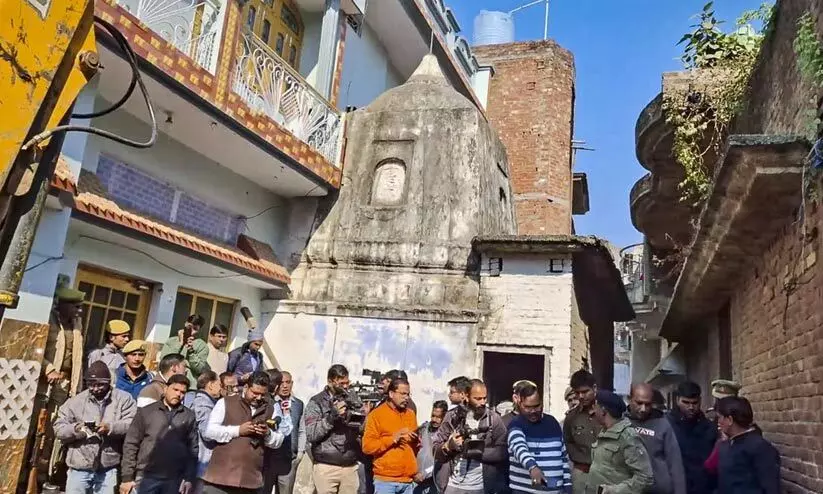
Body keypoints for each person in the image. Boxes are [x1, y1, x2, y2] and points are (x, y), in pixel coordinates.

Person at [201, 371, 292, 494]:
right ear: (246, 387)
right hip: (220, 478)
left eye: (262, 394)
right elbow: (210, 432)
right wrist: (238, 430)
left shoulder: (271, 408)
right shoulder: (226, 403)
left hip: (250, 481)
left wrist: (267, 434)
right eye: (255, 393)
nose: (258, 397)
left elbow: (279, 440)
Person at [53, 361, 137, 494]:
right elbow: (59, 428)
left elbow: (133, 424)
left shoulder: (123, 399)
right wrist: (77, 430)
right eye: (92, 385)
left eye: (101, 385)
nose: (96, 388)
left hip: (108, 466)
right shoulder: (75, 402)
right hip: (79, 466)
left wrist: (110, 428)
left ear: (109, 382)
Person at [121, 373, 199, 494]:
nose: (178, 394)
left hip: (174, 479)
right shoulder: (147, 412)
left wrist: (189, 478)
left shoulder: (188, 416)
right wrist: (127, 477)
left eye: (183, 392)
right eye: (175, 389)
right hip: (145, 476)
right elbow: (131, 444)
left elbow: (192, 450)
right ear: (165, 388)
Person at [433, 379, 508, 494]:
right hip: (452, 484)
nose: (482, 402)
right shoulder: (452, 416)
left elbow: (503, 451)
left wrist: (474, 452)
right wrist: (448, 446)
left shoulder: (493, 419)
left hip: (480, 487)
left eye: (484, 398)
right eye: (477, 398)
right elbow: (435, 449)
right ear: (466, 396)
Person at [305, 364, 362, 494]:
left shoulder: (354, 398)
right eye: (341, 383)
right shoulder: (316, 402)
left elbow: (361, 429)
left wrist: (364, 416)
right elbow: (311, 434)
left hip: (350, 466)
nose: (346, 387)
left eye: (347, 382)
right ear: (330, 381)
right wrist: (332, 417)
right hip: (326, 466)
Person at [507, 382, 571, 493]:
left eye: (536, 406)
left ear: (541, 403)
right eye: (527, 407)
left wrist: (568, 485)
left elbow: (563, 457)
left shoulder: (552, 423)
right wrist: (532, 467)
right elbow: (519, 448)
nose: (532, 411)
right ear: (520, 404)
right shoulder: (516, 425)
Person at [586, 390, 653, 494]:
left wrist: (613, 491)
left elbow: (645, 478)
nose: (593, 410)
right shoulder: (604, 432)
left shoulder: (628, 437)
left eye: (595, 406)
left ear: (603, 410)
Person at [362, 378, 420, 494]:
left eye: (408, 394)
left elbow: (413, 447)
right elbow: (367, 447)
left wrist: (416, 441)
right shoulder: (376, 415)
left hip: (408, 481)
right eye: (403, 394)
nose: (406, 397)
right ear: (391, 394)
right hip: (386, 482)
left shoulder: (410, 414)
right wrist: (393, 438)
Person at [626, 384, 685, 494]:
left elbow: (675, 463)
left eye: (647, 404)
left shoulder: (663, 425)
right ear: (629, 400)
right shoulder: (620, 422)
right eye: (639, 403)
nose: (643, 409)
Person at [715, 396, 780, 494]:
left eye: (719, 417)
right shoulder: (726, 445)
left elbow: (771, 487)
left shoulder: (760, 448)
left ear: (730, 420)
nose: (718, 422)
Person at [666, 381, 717, 494]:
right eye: (686, 402)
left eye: (694, 403)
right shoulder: (666, 426)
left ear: (700, 401)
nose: (691, 407)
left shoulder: (709, 428)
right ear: (677, 400)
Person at [183, 371, 223, 494]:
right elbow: (207, 433)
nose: (221, 388)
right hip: (201, 460)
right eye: (219, 384)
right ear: (210, 385)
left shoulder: (208, 402)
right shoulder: (203, 403)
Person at [268, 370, 306, 494]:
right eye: (281, 382)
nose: (285, 386)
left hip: (289, 459)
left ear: (292, 384)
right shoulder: (269, 402)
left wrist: (300, 452)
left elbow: (301, 430)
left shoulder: (298, 404)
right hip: (269, 458)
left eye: (288, 382)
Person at [562, 370, 600, 494]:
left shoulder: (607, 413)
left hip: (606, 475)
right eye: (577, 393)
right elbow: (568, 441)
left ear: (594, 388)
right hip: (581, 473)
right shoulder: (571, 417)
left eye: (585, 392)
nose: (581, 396)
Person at [160, 315, 210, 388]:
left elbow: (199, 369)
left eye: (195, 329)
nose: (192, 331)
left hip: (189, 386)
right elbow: (164, 362)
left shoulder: (202, 345)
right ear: (185, 323)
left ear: (199, 330)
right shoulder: (171, 341)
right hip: (168, 383)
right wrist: (179, 344)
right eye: (189, 327)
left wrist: (191, 352)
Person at [415, 401, 447, 494]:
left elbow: (440, 461)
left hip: (434, 481)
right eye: (433, 416)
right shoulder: (424, 429)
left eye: (438, 417)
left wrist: (424, 473)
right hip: (418, 479)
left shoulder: (445, 435)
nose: (434, 419)